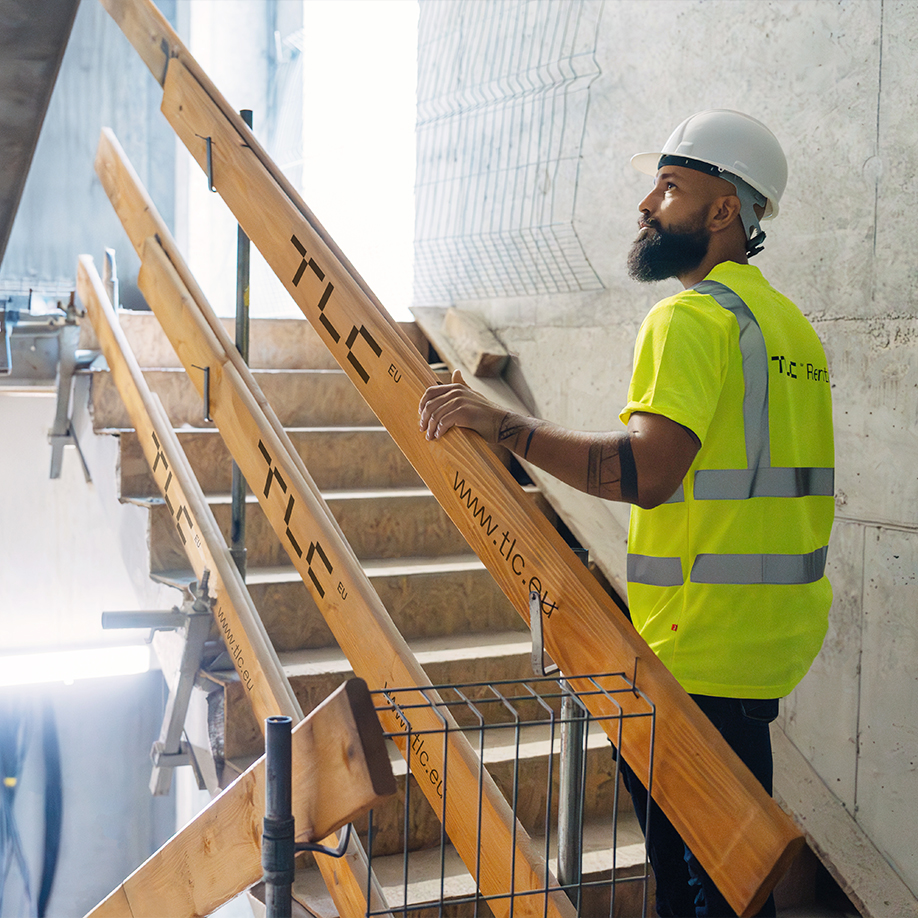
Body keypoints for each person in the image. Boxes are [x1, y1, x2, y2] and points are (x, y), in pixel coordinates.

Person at [418, 110, 835, 917]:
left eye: (671, 187)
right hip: (766, 645)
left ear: (725, 210)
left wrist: (500, 423)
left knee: (698, 894)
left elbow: (643, 473)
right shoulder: (794, 332)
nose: (647, 205)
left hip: (695, 650)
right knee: (735, 883)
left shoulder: (690, 319)